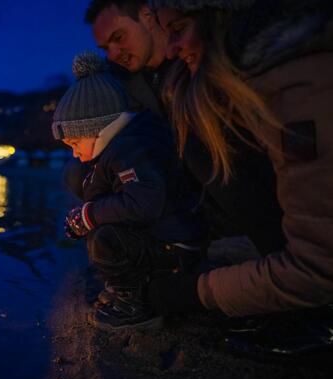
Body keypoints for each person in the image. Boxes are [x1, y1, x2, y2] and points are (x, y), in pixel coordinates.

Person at [148, 0, 333, 322]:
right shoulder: (261, 77)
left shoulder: (300, 83)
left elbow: (319, 267)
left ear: (223, 16)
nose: (171, 50)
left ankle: (316, 316)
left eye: (178, 29)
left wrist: (196, 292)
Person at [72, 0, 287, 259]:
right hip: (168, 184)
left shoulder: (197, 61)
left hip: (214, 184)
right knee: (79, 173)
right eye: (106, 48)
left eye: (119, 38)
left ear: (147, 15)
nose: (113, 53)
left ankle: (272, 248)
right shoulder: (122, 87)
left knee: (195, 143)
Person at [55, 52, 205, 331]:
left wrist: (90, 215)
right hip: (163, 236)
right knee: (99, 228)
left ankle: (134, 305)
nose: (74, 152)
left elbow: (143, 202)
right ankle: (125, 287)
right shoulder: (121, 145)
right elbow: (107, 194)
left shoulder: (132, 149)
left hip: (176, 245)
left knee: (105, 239)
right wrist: (84, 216)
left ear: (98, 130)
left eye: (75, 143)